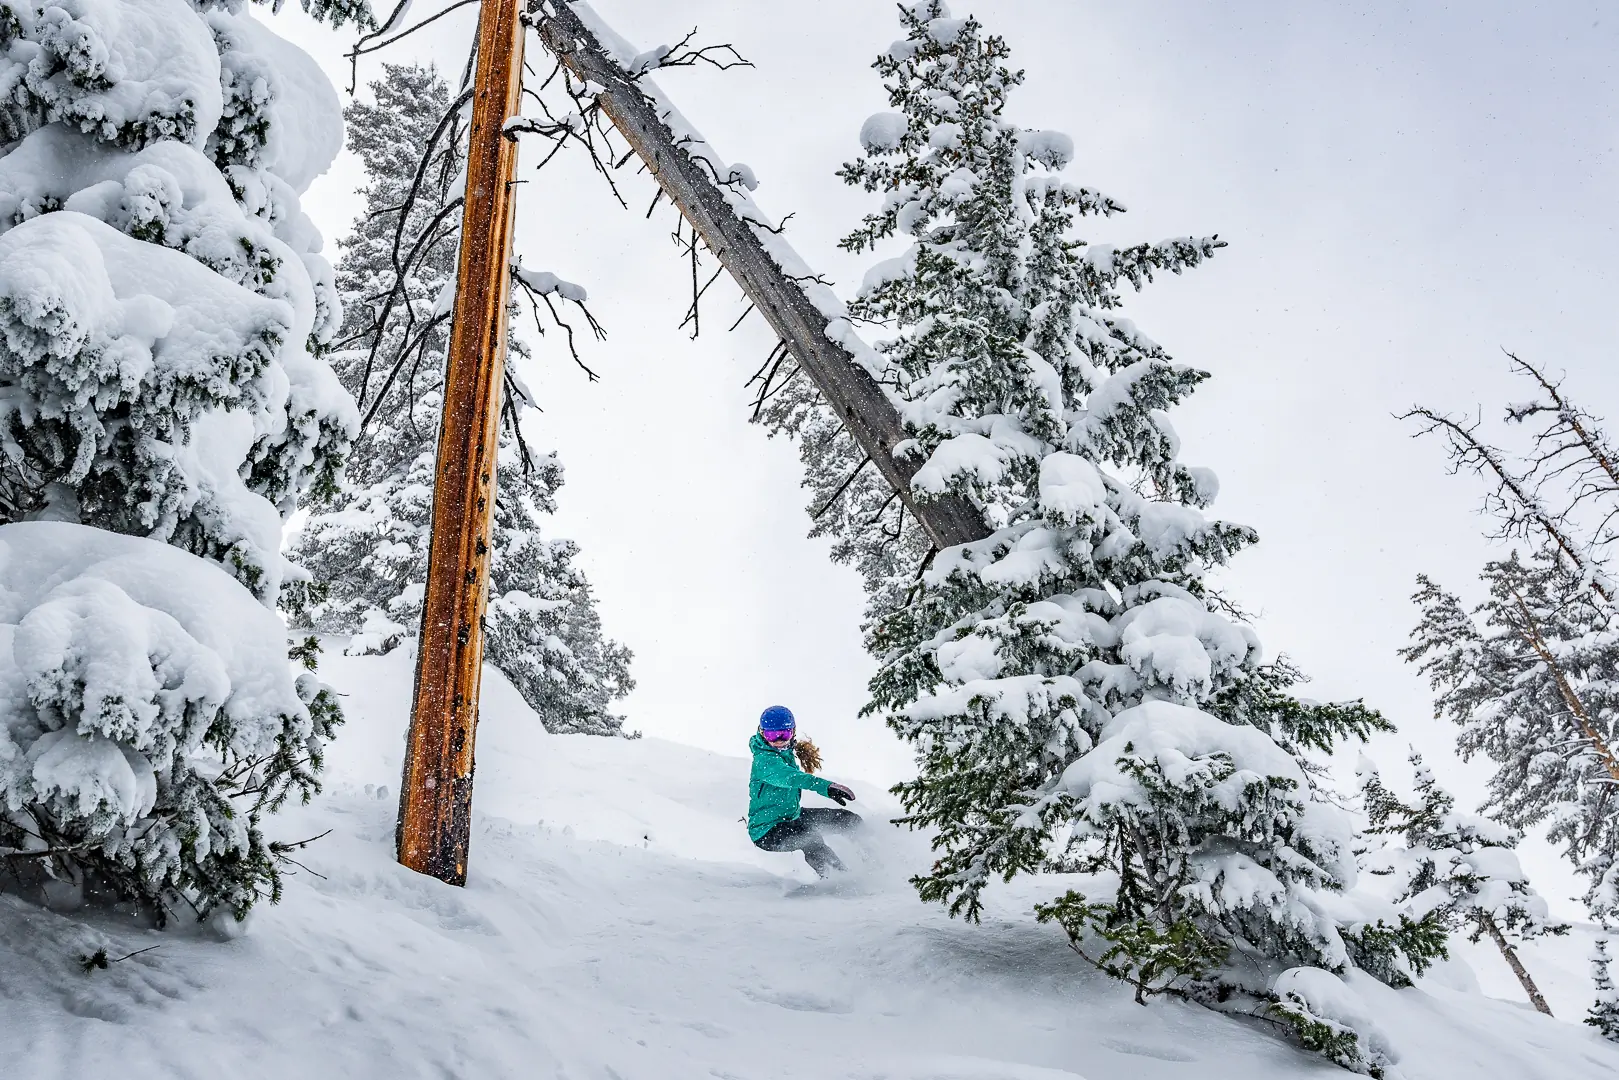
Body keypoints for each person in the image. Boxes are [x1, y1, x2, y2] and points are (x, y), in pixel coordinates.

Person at [747, 705, 860, 877]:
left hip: (792, 817)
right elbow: (792, 778)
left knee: (848, 820)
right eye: (771, 735)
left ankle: (878, 858)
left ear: (792, 732)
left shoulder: (784, 751)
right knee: (809, 838)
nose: (778, 741)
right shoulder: (764, 760)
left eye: (784, 734)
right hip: (767, 831)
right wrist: (826, 787)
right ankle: (840, 879)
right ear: (762, 734)